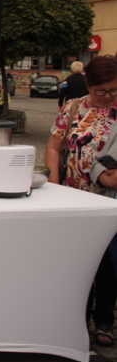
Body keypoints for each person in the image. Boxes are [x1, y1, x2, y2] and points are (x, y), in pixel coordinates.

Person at [45, 56, 117, 346]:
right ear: (88, 84)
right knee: (77, 263)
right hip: (73, 196)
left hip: (109, 199)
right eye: (101, 91)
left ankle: (104, 320)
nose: (108, 97)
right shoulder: (72, 107)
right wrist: (53, 186)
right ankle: (76, 318)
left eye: (114, 90)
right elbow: (53, 147)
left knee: (107, 263)